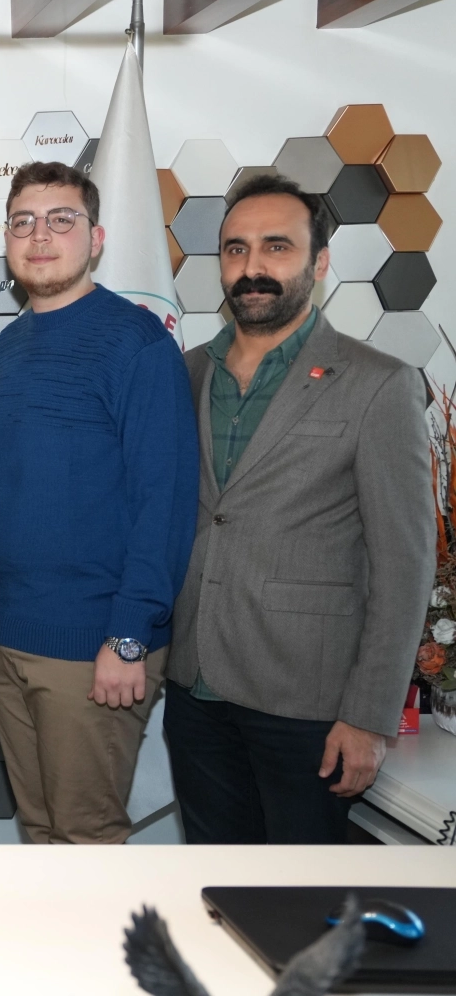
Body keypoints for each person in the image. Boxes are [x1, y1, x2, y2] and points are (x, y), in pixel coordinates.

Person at [165, 174, 434, 844]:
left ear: (318, 263)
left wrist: (369, 715)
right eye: (235, 249)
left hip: (308, 702)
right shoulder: (184, 373)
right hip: (194, 687)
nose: (252, 266)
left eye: (276, 246)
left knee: (302, 891)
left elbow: (403, 565)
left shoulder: (378, 384)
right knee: (212, 881)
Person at [0, 161, 198, 845]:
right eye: (23, 222)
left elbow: (165, 501)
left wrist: (128, 637)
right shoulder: (7, 348)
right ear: (7, 240)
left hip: (94, 646)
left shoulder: (137, 343)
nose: (39, 236)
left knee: (86, 840)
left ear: (96, 239)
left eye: (60, 220)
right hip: (8, 637)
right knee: (42, 835)